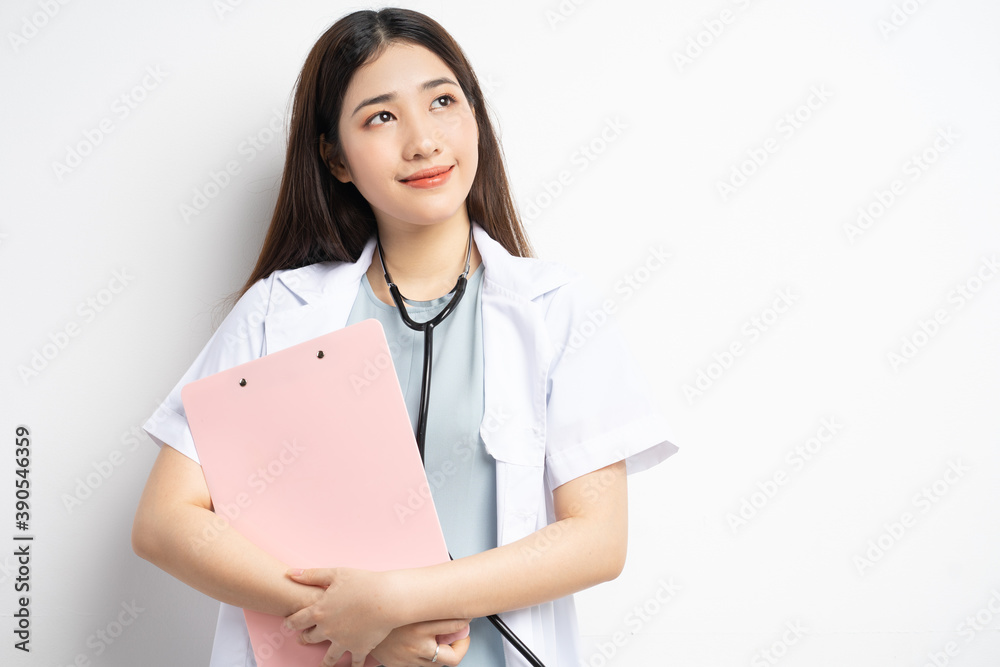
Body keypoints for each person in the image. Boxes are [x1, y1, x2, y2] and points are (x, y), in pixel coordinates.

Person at [131, 7, 677, 667]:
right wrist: (354, 624)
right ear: (334, 156)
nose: (422, 141)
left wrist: (392, 600)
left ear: (475, 117)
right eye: (381, 117)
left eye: (443, 101)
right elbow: (166, 520)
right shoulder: (279, 311)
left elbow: (595, 541)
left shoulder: (555, 307)